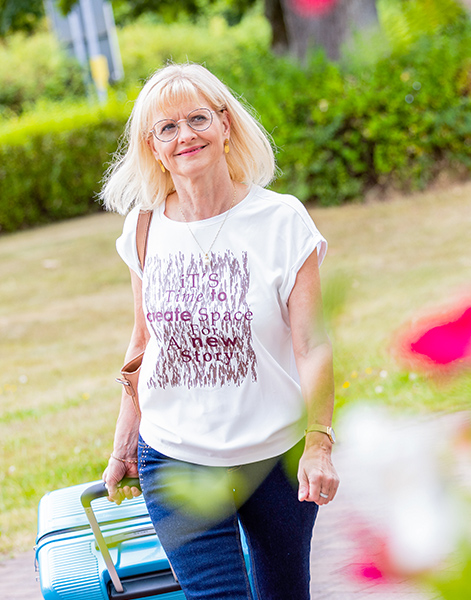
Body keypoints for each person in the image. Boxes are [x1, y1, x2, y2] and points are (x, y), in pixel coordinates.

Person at [99, 62, 339, 600]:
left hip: (275, 459)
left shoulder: (282, 221)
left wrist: (320, 443)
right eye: (167, 128)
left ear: (225, 125)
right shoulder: (142, 229)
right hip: (177, 460)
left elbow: (313, 344)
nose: (186, 135)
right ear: (153, 148)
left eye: (198, 118)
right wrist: (123, 445)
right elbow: (142, 345)